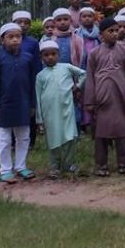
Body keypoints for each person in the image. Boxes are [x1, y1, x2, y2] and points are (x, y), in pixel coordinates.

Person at [84, 18, 125, 176]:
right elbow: (90, 78)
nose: (115, 33)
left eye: (116, 30)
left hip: (120, 97)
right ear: (101, 35)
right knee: (101, 133)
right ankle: (101, 165)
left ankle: (123, 163)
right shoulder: (94, 53)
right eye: (110, 31)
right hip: (101, 97)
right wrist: (89, 101)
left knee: (121, 131)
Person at [0, 23, 37, 183]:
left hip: (23, 103)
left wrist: (32, 104)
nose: (15, 40)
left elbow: (32, 82)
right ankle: (5, 170)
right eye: (11, 37)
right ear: (2, 40)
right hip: (5, 104)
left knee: (23, 137)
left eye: (18, 36)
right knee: (4, 139)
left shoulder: (28, 58)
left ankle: (21, 167)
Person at [35, 40, 85, 179]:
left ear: (59, 54)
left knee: (71, 136)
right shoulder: (40, 75)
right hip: (49, 112)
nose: (50, 57)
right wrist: (39, 119)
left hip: (67, 109)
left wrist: (77, 86)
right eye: (46, 55)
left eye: (53, 54)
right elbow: (38, 97)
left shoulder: (66, 67)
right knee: (53, 139)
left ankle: (69, 164)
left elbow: (83, 74)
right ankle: (54, 166)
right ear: (41, 57)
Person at [13, 10, 42, 146]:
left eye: (26, 23)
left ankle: (30, 141)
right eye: (20, 22)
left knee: (30, 109)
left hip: (29, 80)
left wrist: (37, 80)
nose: (23, 25)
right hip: (13, 81)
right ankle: (13, 140)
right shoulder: (8, 40)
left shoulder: (33, 42)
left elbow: (37, 63)